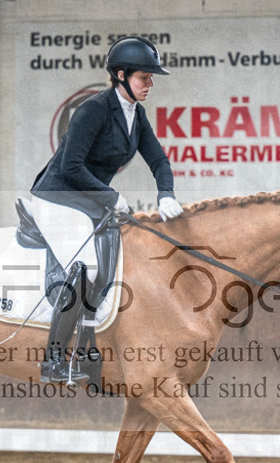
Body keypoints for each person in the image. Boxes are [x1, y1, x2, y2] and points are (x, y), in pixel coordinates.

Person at [31, 35, 183, 383]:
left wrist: (166, 194)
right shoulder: (93, 110)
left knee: (118, 258)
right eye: (144, 77)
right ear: (120, 75)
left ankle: (87, 347)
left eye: (150, 77)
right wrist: (110, 196)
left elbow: (158, 158)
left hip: (90, 199)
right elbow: (71, 167)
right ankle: (53, 359)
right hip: (58, 196)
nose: (150, 83)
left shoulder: (135, 114)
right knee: (89, 266)